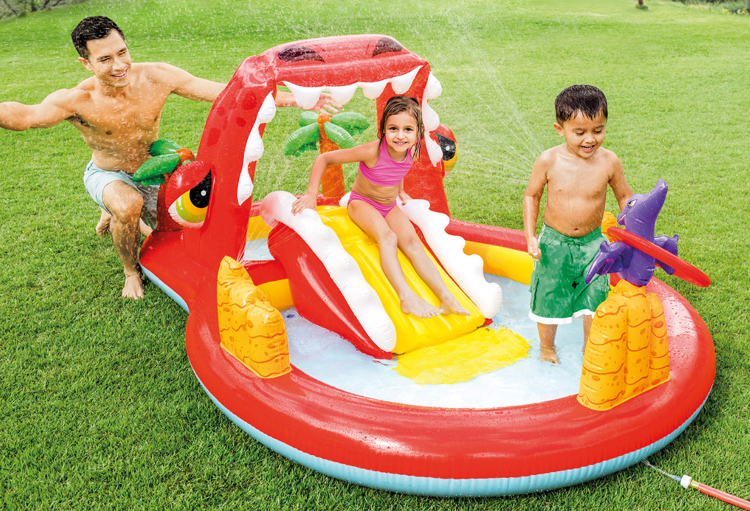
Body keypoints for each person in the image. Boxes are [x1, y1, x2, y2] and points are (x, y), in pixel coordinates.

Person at [0, 16, 339, 300]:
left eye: (122, 52)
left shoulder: (156, 76)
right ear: (86, 63)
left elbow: (224, 93)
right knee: (128, 206)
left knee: (186, 221)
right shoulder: (76, 100)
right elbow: (27, 116)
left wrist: (295, 100)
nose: (118, 65)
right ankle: (130, 270)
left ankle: (112, 212)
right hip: (108, 173)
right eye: (104, 60)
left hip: (154, 172)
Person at [291, 95, 470, 319]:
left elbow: (397, 170)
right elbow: (324, 159)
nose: (400, 135)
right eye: (393, 128)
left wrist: (400, 190)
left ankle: (446, 297)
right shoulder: (373, 151)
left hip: (389, 205)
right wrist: (311, 195)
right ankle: (406, 297)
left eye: (407, 130)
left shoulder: (410, 150)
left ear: (418, 133)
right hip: (362, 203)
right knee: (388, 238)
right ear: (383, 130)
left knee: (413, 242)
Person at [523, 85, 633, 364]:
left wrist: (634, 230)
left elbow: (624, 196)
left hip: (593, 244)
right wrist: (531, 237)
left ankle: (591, 349)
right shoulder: (549, 160)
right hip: (554, 243)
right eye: (580, 132)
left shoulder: (609, 162)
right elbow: (531, 196)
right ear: (560, 129)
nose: (590, 139)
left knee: (596, 299)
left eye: (598, 130)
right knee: (549, 295)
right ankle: (547, 348)